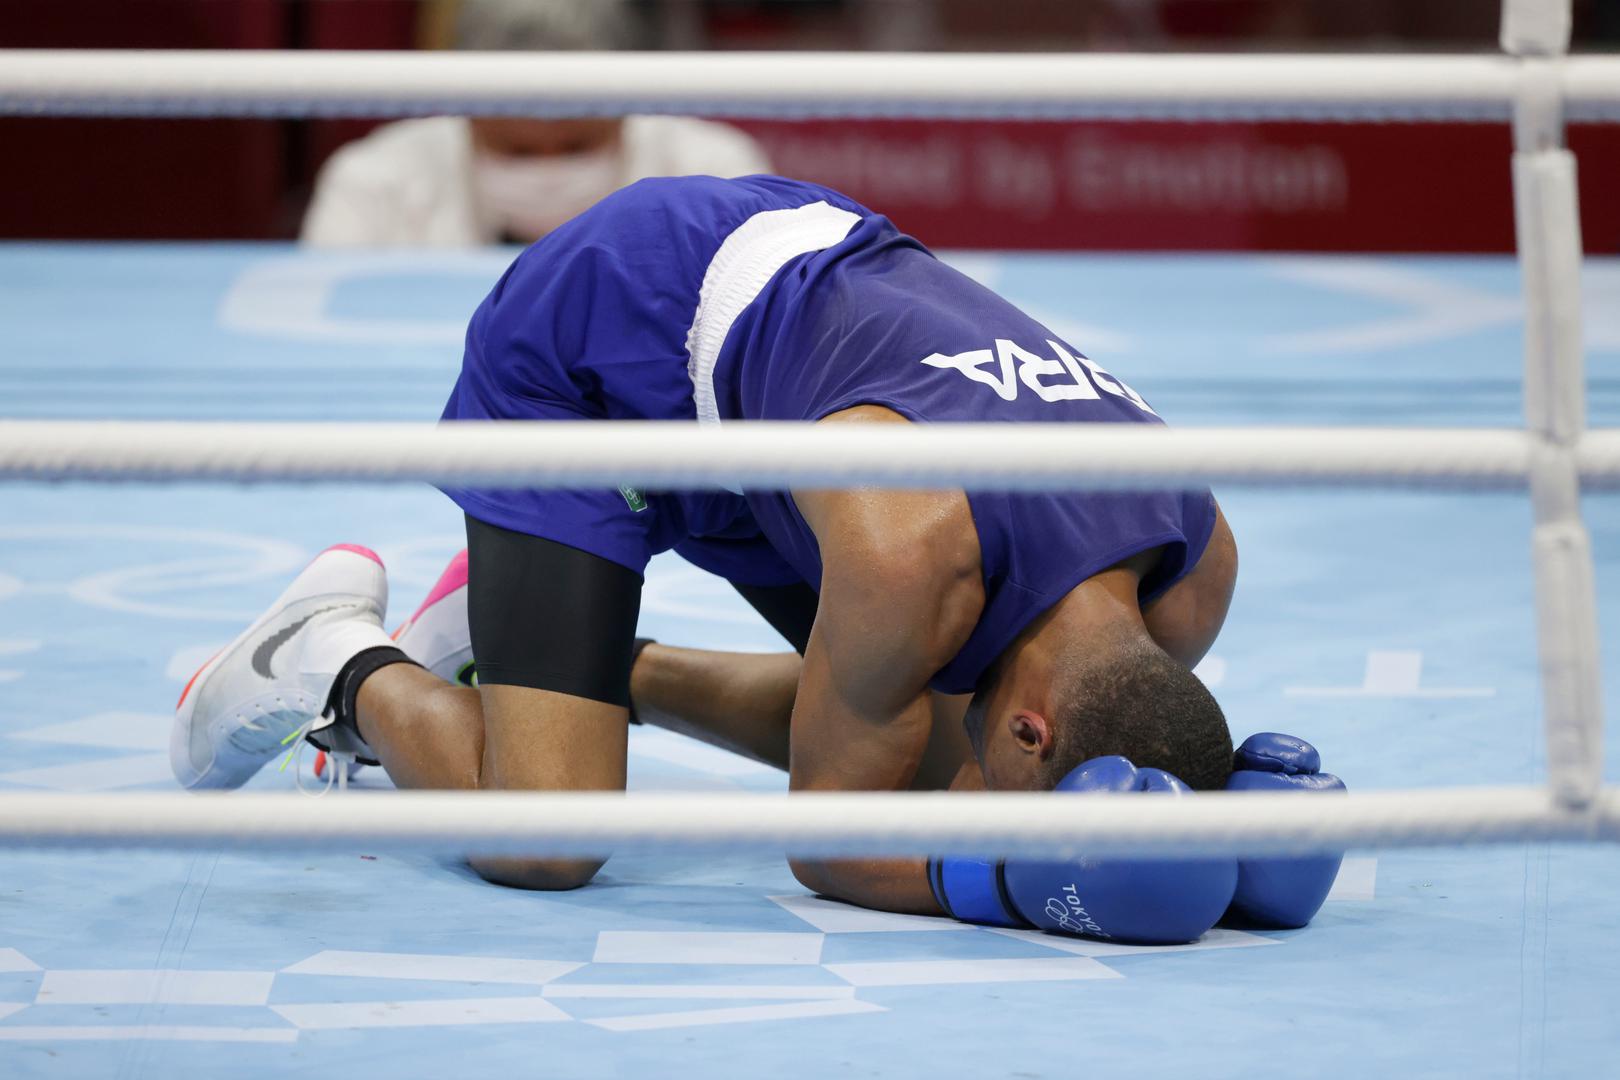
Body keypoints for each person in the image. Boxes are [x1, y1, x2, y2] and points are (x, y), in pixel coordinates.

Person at [176, 174, 1344, 944]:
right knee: (548, 839)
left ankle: (575, 664)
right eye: (1021, 780)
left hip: (794, 363)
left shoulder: (1194, 572)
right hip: (604, 341)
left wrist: (1218, 841)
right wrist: (1005, 881)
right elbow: (831, 839)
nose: (1005, 800)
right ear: (1037, 733)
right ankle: (334, 662)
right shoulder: (908, 554)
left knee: (928, 768)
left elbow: (1010, 760)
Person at [299, 0, 770, 248]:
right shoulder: (372, 181)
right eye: (517, 152)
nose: (548, 171)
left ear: (626, 106)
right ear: (467, 111)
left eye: (576, 147)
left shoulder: (718, 173)